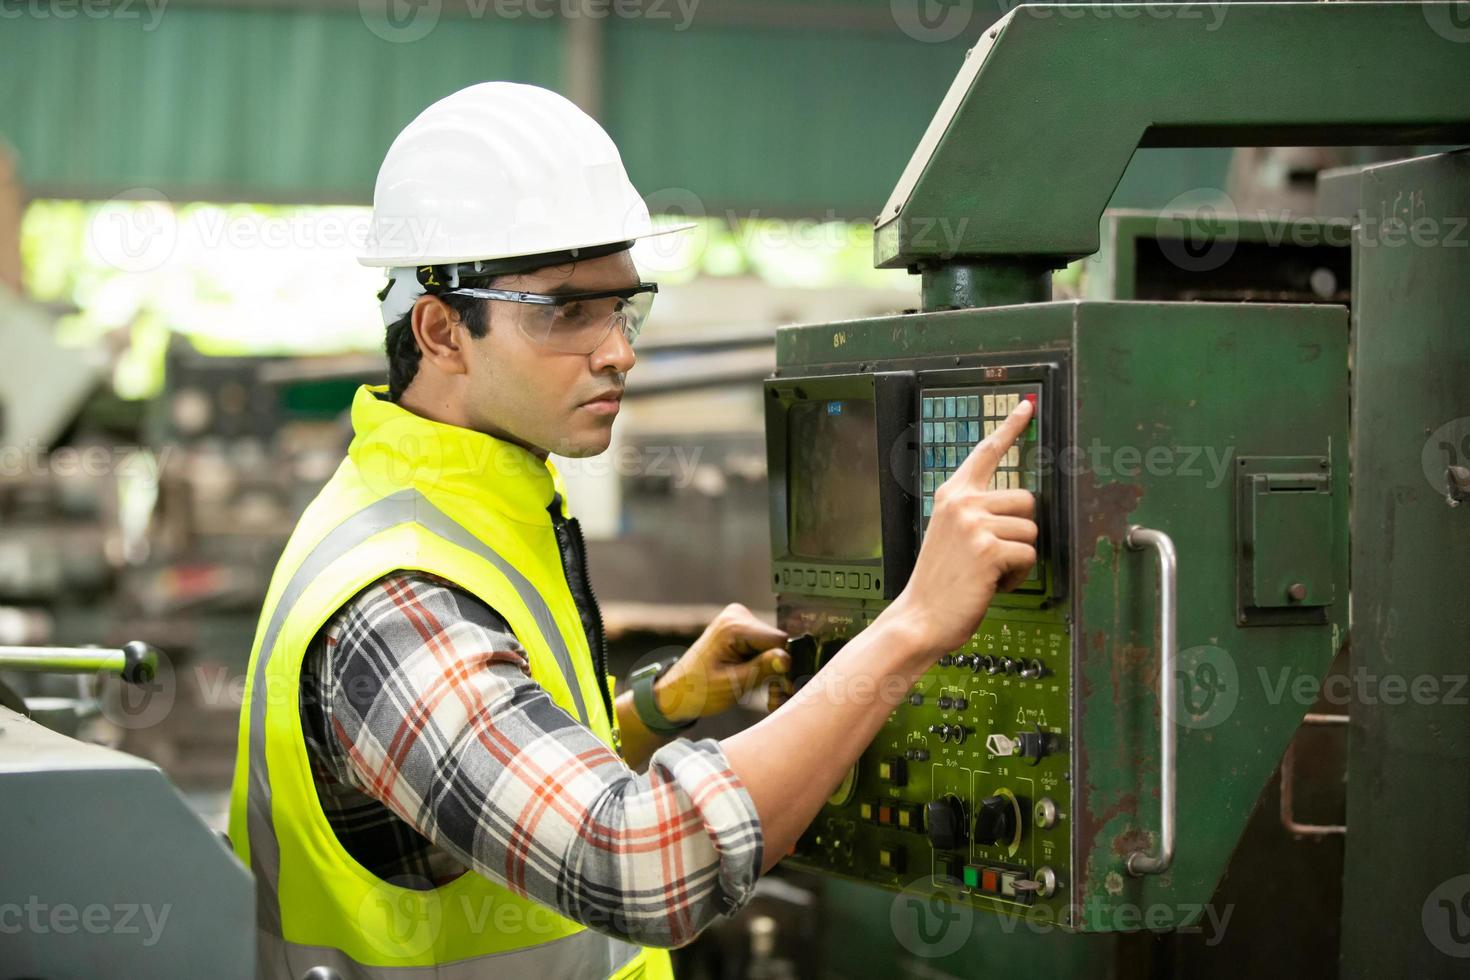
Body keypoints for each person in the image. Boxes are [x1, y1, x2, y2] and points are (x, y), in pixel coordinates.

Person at [227, 81, 1037, 980]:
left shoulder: (477, 507)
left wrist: (655, 712)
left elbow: (482, 795)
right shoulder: (395, 598)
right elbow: (637, 865)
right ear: (442, 330)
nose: (619, 349)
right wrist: (914, 625)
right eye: (568, 313)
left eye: (623, 307)